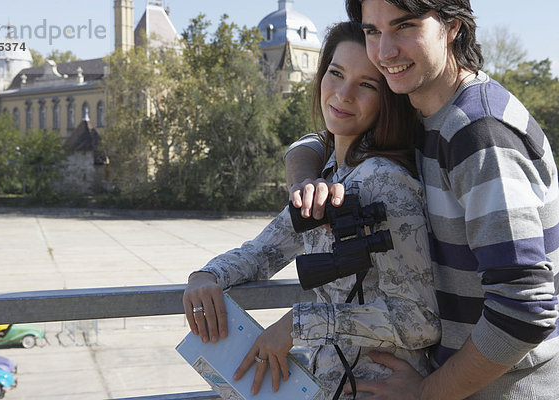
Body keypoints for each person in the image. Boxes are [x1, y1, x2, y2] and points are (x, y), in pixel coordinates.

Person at [285, 1, 559, 399]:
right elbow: (314, 140)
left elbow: (524, 308)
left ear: (454, 28)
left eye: (404, 27)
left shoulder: (478, 135)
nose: (384, 52)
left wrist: (426, 393)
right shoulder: (427, 114)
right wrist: (306, 179)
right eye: (373, 31)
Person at [183, 21, 440, 399]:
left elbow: (420, 319)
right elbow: (265, 250)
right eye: (336, 74)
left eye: (367, 84)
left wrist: (298, 325)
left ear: (389, 99)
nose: (344, 94)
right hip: (329, 385)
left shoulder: (387, 181)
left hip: (379, 386)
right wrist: (206, 276)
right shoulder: (329, 177)